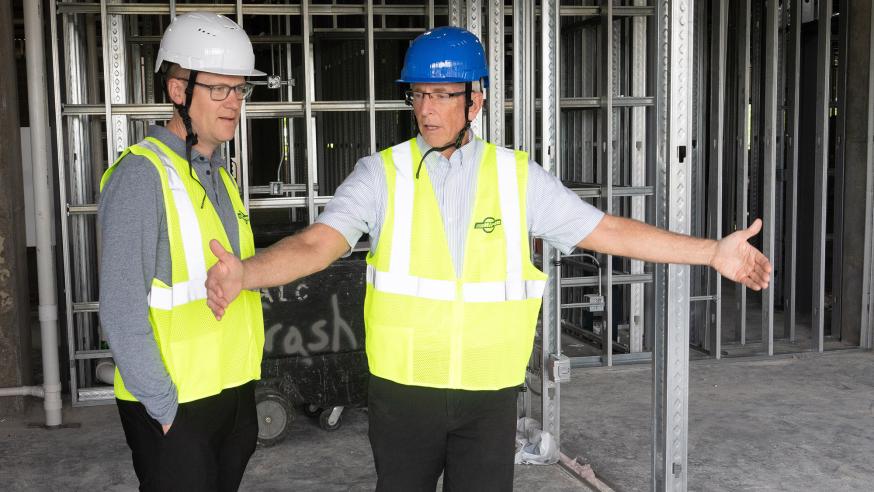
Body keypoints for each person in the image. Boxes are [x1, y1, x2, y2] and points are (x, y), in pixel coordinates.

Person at [205, 26, 771, 491]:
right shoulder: (381, 175)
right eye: (418, 94)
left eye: (442, 95)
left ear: (475, 99)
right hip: (403, 395)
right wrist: (247, 273)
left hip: (488, 398)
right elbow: (318, 244)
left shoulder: (516, 178)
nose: (427, 110)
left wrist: (710, 252)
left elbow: (606, 230)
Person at [98, 12, 265, 491]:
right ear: (177, 90)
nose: (234, 102)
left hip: (231, 394)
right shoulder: (142, 175)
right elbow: (121, 309)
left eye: (239, 89)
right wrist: (165, 410)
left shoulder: (220, 176)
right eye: (219, 88)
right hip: (174, 406)